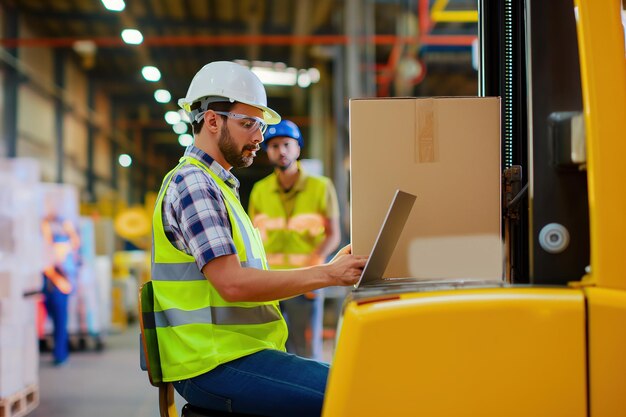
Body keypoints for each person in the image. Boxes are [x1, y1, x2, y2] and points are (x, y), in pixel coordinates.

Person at [151, 61, 366, 417]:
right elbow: (233, 285)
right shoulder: (194, 184)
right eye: (249, 124)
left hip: (235, 353)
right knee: (352, 394)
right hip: (212, 362)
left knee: (350, 381)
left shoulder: (221, 187)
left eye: (260, 126)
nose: (260, 137)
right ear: (212, 120)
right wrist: (329, 274)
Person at [248, 120, 340, 360]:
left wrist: (316, 262)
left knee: (307, 353)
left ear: (298, 148)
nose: (282, 151)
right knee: (273, 351)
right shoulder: (259, 190)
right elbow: (252, 239)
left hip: (305, 281)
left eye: (287, 144)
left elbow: (333, 234)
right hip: (270, 283)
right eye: (275, 145)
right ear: (267, 151)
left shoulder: (321, 187)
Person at [41, 207, 81, 366]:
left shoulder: (62, 244)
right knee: (58, 320)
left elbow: (75, 243)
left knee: (60, 321)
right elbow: (48, 267)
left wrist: (68, 228)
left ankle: (60, 354)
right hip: (54, 284)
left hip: (59, 285)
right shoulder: (48, 244)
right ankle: (59, 353)